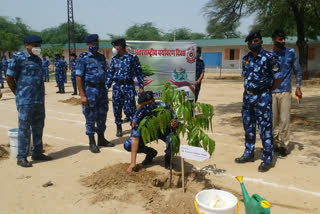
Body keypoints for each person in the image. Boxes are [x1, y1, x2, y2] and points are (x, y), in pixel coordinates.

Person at [234, 30, 283, 172]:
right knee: (248, 127)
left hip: (262, 98)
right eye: (250, 42)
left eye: (255, 41)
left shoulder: (269, 58)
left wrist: (266, 91)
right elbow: (246, 77)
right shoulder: (246, 59)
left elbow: (278, 78)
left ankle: (267, 159)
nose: (253, 44)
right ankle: (248, 153)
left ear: (261, 42)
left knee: (265, 128)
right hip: (248, 98)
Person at [6, 35, 52, 167]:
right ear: (27, 45)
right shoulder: (18, 57)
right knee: (24, 128)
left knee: (38, 126)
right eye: (35, 45)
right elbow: (9, 77)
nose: (38, 47)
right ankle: (21, 157)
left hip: (38, 99)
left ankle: (37, 152)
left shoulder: (38, 59)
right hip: (25, 100)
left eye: (39, 45)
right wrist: (18, 93)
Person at [76, 34, 114, 153]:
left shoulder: (101, 57)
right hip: (90, 91)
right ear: (88, 45)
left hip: (102, 90)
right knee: (90, 116)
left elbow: (106, 72)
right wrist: (82, 95)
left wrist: (106, 86)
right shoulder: (83, 58)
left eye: (96, 43)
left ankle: (101, 138)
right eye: (92, 43)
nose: (95, 45)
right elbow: (78, 77)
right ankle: (91, 142)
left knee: (102, 115)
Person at [124, 91, 179, 172]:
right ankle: (150, 152)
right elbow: (135, 139)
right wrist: (133, 163)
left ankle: (168, 158)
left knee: (174, 140)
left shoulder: (163, 107)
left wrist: (174, 123)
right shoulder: (138, 116)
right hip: (149, 134)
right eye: (144, 105)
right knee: (128, 145)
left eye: (151, 102)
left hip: (164, 132)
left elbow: (176, 121)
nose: (147, 106)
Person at [270, 30, 302, 157]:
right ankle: (273, 144)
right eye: (280, 39)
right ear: (273, 40)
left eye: (284, 39)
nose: (283, 41)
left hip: (285, 91)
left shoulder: (291, 52)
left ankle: (283, 145)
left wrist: (298, 86)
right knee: (272, 120)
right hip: (271, 92)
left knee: (284, 120)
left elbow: (297, 70)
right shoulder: (269, 55)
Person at [106, 38, 144, 137]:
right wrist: (107, 86)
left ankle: (133, 127)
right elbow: (110, 74)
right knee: (116, 108)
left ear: (121, 46)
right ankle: (119, 127)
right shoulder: (114, 59)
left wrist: (141, 86)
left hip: (128, 86)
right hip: (117, 87)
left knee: (130, 108)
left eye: (115, 46)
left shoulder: (132, 58)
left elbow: (139, 72)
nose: (114, 48)